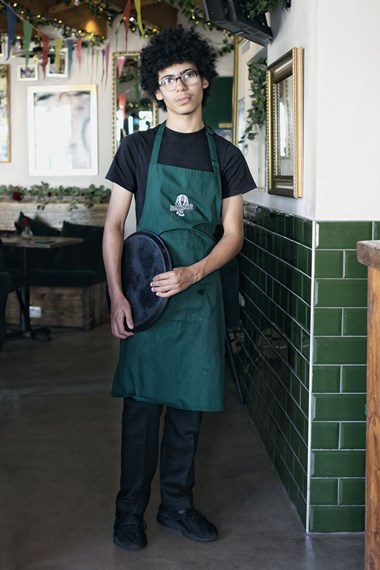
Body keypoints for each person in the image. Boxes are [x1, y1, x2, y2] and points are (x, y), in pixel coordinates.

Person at [103, 25, 256, 551]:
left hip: (198, 298)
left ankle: (177, 505)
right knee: (142, 413)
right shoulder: (138, 149)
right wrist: (118, 296)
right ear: (157, 90)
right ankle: (129, 513)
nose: (181, 86)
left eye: (188, 74)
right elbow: (113, 226)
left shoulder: (226, 156)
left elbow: (233, 235)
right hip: (146, 301)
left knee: (188, 412)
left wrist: (193, 272)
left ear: (204, 80)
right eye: (169, 79)